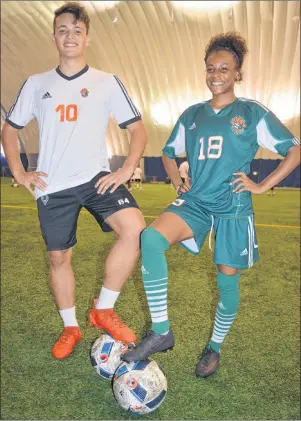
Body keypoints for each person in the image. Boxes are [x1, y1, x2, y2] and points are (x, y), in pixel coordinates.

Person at [122, 32, 300, 378]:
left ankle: (214, 347)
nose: (216, 75)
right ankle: (161, 331)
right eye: (210, 68)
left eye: (224, 68)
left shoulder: (251, 113)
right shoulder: (192, 115)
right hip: (196, 201)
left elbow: (294, 150)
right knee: (151, 239)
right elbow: (168, 153)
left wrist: (262, 185)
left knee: (226, 284)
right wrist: (176, 180)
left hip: (233, 208)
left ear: (238, 73)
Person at [2, 2, 148, 360]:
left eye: (77, 30)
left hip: (97, 176)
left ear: (87, 37)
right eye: (63, 30)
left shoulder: (107, 81)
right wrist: (20, 172)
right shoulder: (36, 84)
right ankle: (70, 327)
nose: (69, 36)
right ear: (54, 36)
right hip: (52, 184)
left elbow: (138, 130)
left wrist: (126, 168)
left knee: (135, 229)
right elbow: (10, 129)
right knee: (58, 257)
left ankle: (104, 310)